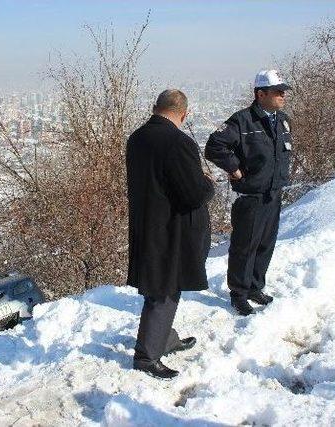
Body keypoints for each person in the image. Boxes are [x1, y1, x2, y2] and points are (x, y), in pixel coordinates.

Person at [126, 89, 215, 379]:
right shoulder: (179, 142)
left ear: (155, 108)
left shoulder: (136, 138)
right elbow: (192, 195)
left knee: (160, 285)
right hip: (171, 228)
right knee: (164, 289)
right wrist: (207, 182)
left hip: (146, 223)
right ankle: (147, 356)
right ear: (184, 114)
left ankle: (165, 338)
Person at [205, 70, 292, 316]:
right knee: (245, 246)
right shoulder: (242, 121)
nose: (282, 95)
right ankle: (239, 293)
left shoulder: (282, 119)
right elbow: (214, 146)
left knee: (265, 243)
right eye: (277, 91)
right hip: (251, 197)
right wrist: (235, 169)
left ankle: (255, 287)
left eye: (283, 91)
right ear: (260, 93)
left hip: (273, 193)